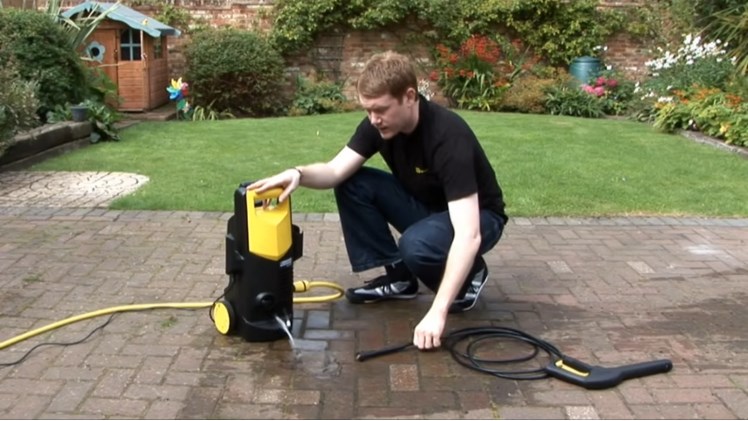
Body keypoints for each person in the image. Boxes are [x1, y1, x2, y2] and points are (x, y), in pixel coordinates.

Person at [248, 51, 507, 350]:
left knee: (417, 245)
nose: (373, 119)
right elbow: (334, 171)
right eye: (368, 110)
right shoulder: (378, 126)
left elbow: (468, 233)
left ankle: (470, 275)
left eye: (380, 109)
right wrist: (297, 173)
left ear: (409, 96)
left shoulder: (448, 137)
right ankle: (399, 278)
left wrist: (437, 311)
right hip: (431, 210)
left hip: (480, 217)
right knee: (352, 182)